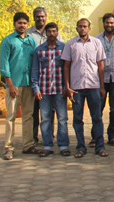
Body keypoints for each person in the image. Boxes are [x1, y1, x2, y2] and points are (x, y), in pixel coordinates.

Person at [62, 18, 108, 158]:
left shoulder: (96, 43)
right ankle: (81, 147)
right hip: (77, 88)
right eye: (80, 26)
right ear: (77, 28)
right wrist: (67, 87)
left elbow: (100, 65)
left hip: (94, 86)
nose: (82, 28)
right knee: (77, 119)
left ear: (89, 28)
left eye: (85, 26)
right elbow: (66, 66)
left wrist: (102, 86)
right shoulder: (70, 44)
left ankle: (100, 147)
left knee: (97, 118)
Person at [0, 12, 39, 160]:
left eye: (24, 23)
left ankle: (28, 145)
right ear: (14, 24)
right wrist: (10, 84)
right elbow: (4, 65)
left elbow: (35, 63)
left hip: (29, 84)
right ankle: (9, 148)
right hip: (14, 84)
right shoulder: (8, 41)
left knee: (28, 116)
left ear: (28, 25)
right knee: (11, 116)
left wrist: (35, 85)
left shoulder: (32, 41)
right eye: (19, 23)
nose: (22, 25)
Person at [26, 7, 64, 146]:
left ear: (46, 17)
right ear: (34, 17)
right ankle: (34, 138)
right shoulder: (29, 34)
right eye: (38, 16)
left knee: (51, 111)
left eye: (42, 16)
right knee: (34, 110)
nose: (40, 19)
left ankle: (49, 137)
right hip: (35, 75)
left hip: (52, 80)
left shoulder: (54, 32)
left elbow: (62, 53)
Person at [31, 22, 70, 157]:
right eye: (49, 31)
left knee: (62, 119)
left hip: (60, 90)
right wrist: (36, 88)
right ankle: (47, 146)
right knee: (45, 119)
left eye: (54, 31)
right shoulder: (39, 50)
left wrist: (67, 87)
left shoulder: (64, 48)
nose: (52, 34)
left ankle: (63, 146)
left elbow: (68, 69)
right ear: (45, 33)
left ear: (57, 33)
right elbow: (35, 70)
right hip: (44, 90)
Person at [92, 13, 114, 148]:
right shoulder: (96, 40)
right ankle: (95, 136)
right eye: (107, 22)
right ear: (103, 23)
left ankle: (112, 136)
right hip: (100, 79)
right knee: (98, 108)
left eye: (111, 23)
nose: (109, 25)